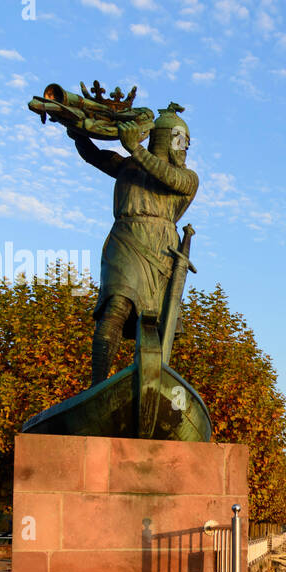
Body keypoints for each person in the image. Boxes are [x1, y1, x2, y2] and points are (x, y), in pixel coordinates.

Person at [66, 102, 198, 386]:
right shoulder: (128, 166)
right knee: (116, 306)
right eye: (182, 141)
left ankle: (149, 383)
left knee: (156, 326)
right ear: (170, 138)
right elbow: (93, 155)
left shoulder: (187, 178)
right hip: (126, 240)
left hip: (161, 250)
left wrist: (135, 149)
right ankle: (97, 385)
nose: (184, 149)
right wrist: (78, 129)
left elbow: (167, 177)